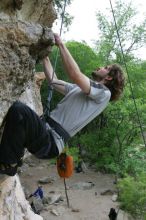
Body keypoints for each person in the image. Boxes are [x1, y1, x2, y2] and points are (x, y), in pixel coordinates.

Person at [0, 34, 125, 176]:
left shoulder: (104, 94)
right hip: (46, 136)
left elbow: (75, 74)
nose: (100, 67)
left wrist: (61, 44)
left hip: (50, 141)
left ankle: (10, 163)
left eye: (105, 67)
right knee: (18, 114)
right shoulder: (81, 90)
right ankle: (14, 153)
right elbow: (53, 81)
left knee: (19, 110)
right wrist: (44, 57)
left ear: (108, 77)